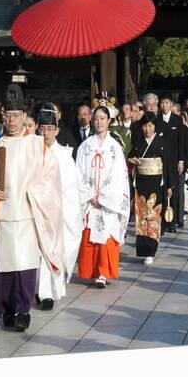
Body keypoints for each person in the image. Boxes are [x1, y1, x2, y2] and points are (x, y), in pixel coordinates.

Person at [0, 87, 64, 332]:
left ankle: (23, 309)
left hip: (26, 214)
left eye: (16, 115)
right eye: (7, 115)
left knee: (24, 267)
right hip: (2, 214)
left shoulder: (36, 146)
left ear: (24, 116)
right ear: (2, 116)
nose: (11, 120)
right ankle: (6, 310)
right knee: (3, 270)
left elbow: (51, 176)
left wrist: (35, 194)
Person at [76, 105, 130, 288]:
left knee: (107, 234)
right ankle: (91, 270)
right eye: (96, 118)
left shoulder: (115, 147)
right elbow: (79, 172)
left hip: (108, 201)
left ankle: (103, 272)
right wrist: (89, 193)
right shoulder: (85, 146)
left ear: (109, 121)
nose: (99, 122)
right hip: (89, 199)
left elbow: (118, 176)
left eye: (102, 118)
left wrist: (104, 195)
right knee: (90, 234)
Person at [36, 103, 83, 310]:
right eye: (42, 128)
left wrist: (59, 207)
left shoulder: (64, 156)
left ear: (57, 130)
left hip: (57, 212)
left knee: (53, 252)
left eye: (49, 128)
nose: (45, 132)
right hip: (36, 209)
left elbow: (71, 188)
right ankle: (37, 289)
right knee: (36, 253)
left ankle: (49, 293)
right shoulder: (32, 152)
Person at [128, 112, 174, 265]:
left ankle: (152, 250)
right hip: (141, 182)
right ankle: (143, 249)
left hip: (156, 183)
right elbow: (131, 155)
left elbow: (167, 164)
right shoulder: (138, 142)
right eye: (144, 126)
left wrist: (168, 185)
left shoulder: (162, 142)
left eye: (150, 126)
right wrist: (131, 159)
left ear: (155, 127)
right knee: (141, 217)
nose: (147, 129)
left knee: (153, 216)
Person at [157, 93, 184, 232]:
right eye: (162, 103)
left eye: (167, 102)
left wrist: (181, 160)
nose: (164, 105)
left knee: (173, 191)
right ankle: (162, 222)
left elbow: (181, 142)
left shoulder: (177, 120)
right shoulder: (156, 120)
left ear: (171, 104)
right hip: (160, 161)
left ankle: (172, 222)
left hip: (174, 161)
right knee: (162, 191)